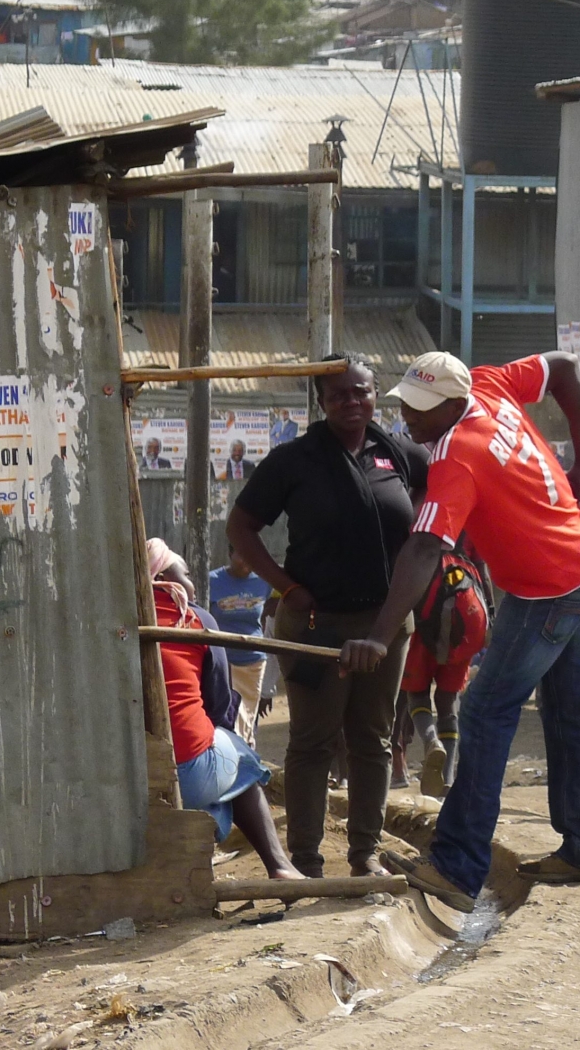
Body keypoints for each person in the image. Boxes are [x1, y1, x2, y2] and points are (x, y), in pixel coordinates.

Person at [337, 350, 580, 910]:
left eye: (420, 409)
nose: (408, 419)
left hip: (550, 585)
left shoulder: (457, 457)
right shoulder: (489, 384)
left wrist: (380, 632)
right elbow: (563, 366)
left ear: (452, 401)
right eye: (405, 406)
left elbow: (423, 547)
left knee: (488, 710)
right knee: (571, 705)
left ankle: (457, 865)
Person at [226, 353, 429, 879]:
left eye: (361, 391)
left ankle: (364, 855)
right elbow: (242, 527)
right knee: (313, 742)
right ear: (322, 401)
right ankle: (305, 861)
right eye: (339, 394)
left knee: (373, 740)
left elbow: (431, 523)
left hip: (385, 626)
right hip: (316, 626)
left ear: (374, 392)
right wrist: (286, 586)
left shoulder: (402, 454)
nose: (352, 402)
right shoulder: (294, 460)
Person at [148, 539, 300, 880]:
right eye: (185, 573)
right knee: (242, 759)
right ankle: (279, 865)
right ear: (164, 576)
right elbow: (218, 705)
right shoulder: (194, 618)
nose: (192, 582)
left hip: (127, 776)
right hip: (185, 767)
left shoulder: (114, 623)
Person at [398, 545, 490, 798]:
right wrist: (490, 614)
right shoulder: (470, 520)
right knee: (449, 701)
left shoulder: (419, 516)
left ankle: (430, 741)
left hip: (423, 615)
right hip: (466, 616)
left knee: (416, 694)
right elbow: (481, 567)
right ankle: (446, 780)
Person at [208, 547, 274, 743]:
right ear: (230, 554)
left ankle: (245, 760)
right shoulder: (213, 581)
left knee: (247, 717)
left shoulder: (263, 581)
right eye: (241, 555)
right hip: (222, 662)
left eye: (250, 556)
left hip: (253, 663)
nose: (246, 561)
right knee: (226, 716)